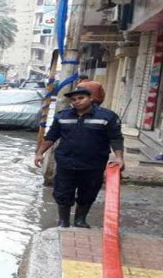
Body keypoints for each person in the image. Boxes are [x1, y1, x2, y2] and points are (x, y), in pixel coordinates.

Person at [35, 86, 125, 228]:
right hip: (66, 162)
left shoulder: (107, 117)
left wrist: (119, 157)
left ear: (90, 98)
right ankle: (63, 221)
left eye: (81, 98)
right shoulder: (62, 116)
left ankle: (80, 220)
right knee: (62, 192)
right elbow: (51, 137)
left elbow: (116, 138)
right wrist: (40, 153)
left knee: (88, 192)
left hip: (93, 164)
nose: (77, 101)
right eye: (74, 99)